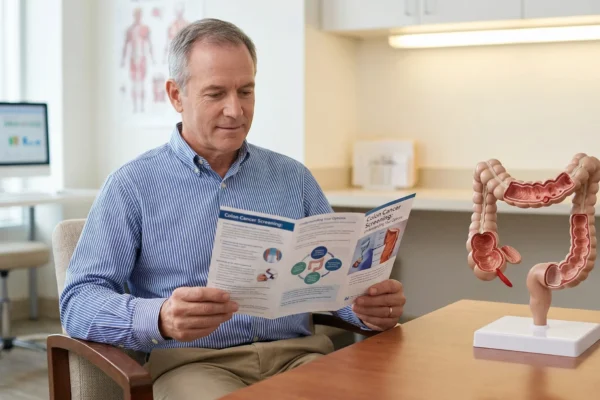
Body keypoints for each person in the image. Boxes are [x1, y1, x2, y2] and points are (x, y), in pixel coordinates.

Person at [60, 18, 406, 400]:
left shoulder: (294, 178)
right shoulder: (131, 186)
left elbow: (333, 283)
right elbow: (78, 302)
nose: (235, 110)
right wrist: (160, 316)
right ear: (176, 95)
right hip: (194, 365)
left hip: (299, 358)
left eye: (245, 91)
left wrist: (365, 307)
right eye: (215, 94)